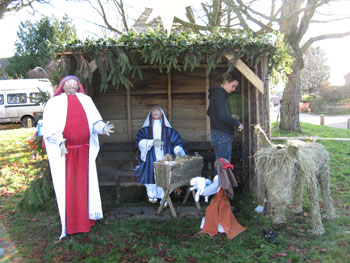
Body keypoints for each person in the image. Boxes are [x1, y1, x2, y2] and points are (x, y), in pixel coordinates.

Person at [42, 75, 114, 239]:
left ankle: (87, 219)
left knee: (85, 185)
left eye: (75, 83)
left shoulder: (86, 100)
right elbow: (49, 128)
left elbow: (95, 122)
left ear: (78, 85)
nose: (72, 85)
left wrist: (103, 129)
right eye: (69, 83)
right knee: (69, 186)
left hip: (85, 152)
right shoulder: (54, 103)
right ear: (62, 85)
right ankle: (72, 223)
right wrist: (59, 142)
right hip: (65, 154)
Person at [135, 106, 186, 204]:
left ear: (162, 113)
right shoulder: (144, 131)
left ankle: (164, 196)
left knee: (167, 175)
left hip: (165, 158)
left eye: (158, 110)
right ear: (150, 114)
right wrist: (151, 143)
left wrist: (178, 151)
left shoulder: (169, 131)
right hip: (150, 158)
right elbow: (139, 142)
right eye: (154, 110)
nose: (156, 112)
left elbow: (176, 142)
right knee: (149, 171)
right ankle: (152, 194)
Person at [207, 75, 244, 163]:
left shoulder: (215, 94)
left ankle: (218, 177)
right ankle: (221, 178)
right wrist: (237, 123)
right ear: (226, 82)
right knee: (224, 165)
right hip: (222, 136)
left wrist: (229, 116)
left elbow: (209, 112)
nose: (234, 89)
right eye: (233, 86)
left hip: (215, 134)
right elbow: (223, 116)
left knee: (220, 164)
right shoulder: (221, 95)